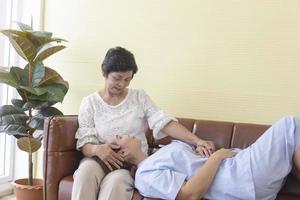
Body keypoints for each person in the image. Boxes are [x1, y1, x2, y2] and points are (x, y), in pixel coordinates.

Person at [71, 46, 216, 200]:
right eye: (117, 78)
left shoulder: (139, 97)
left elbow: (164, 122)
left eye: (127, 79)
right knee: (85, 171)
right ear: (105, 73)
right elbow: (85, 143)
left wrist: (197, 141)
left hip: (129, 164)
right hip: (100, 159)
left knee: (115, 181)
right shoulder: (90, 102)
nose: (122, 84)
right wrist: (97, 149)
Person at [111, 116, 300, 200]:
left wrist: (200, 145)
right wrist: (216, 157)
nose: (126, 134)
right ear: (123, 153)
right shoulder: (145, 174)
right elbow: (188, 194)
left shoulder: (159, 152)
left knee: (293, 144)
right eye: (120, 137)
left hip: (241, 168)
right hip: (239, 179)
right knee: (291, 125)